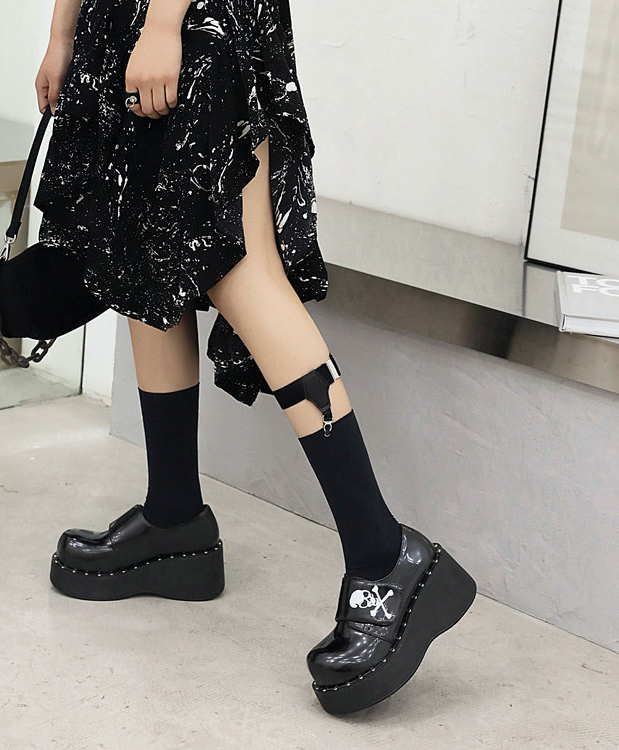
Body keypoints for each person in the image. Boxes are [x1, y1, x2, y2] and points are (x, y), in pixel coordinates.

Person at [34, 0, 476, 716]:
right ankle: (174, 519)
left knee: (242, 270)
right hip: (121, 21)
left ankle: (384, 553)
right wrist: (63, 30)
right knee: (140, 252)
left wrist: (163, 22)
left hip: (193, 17)